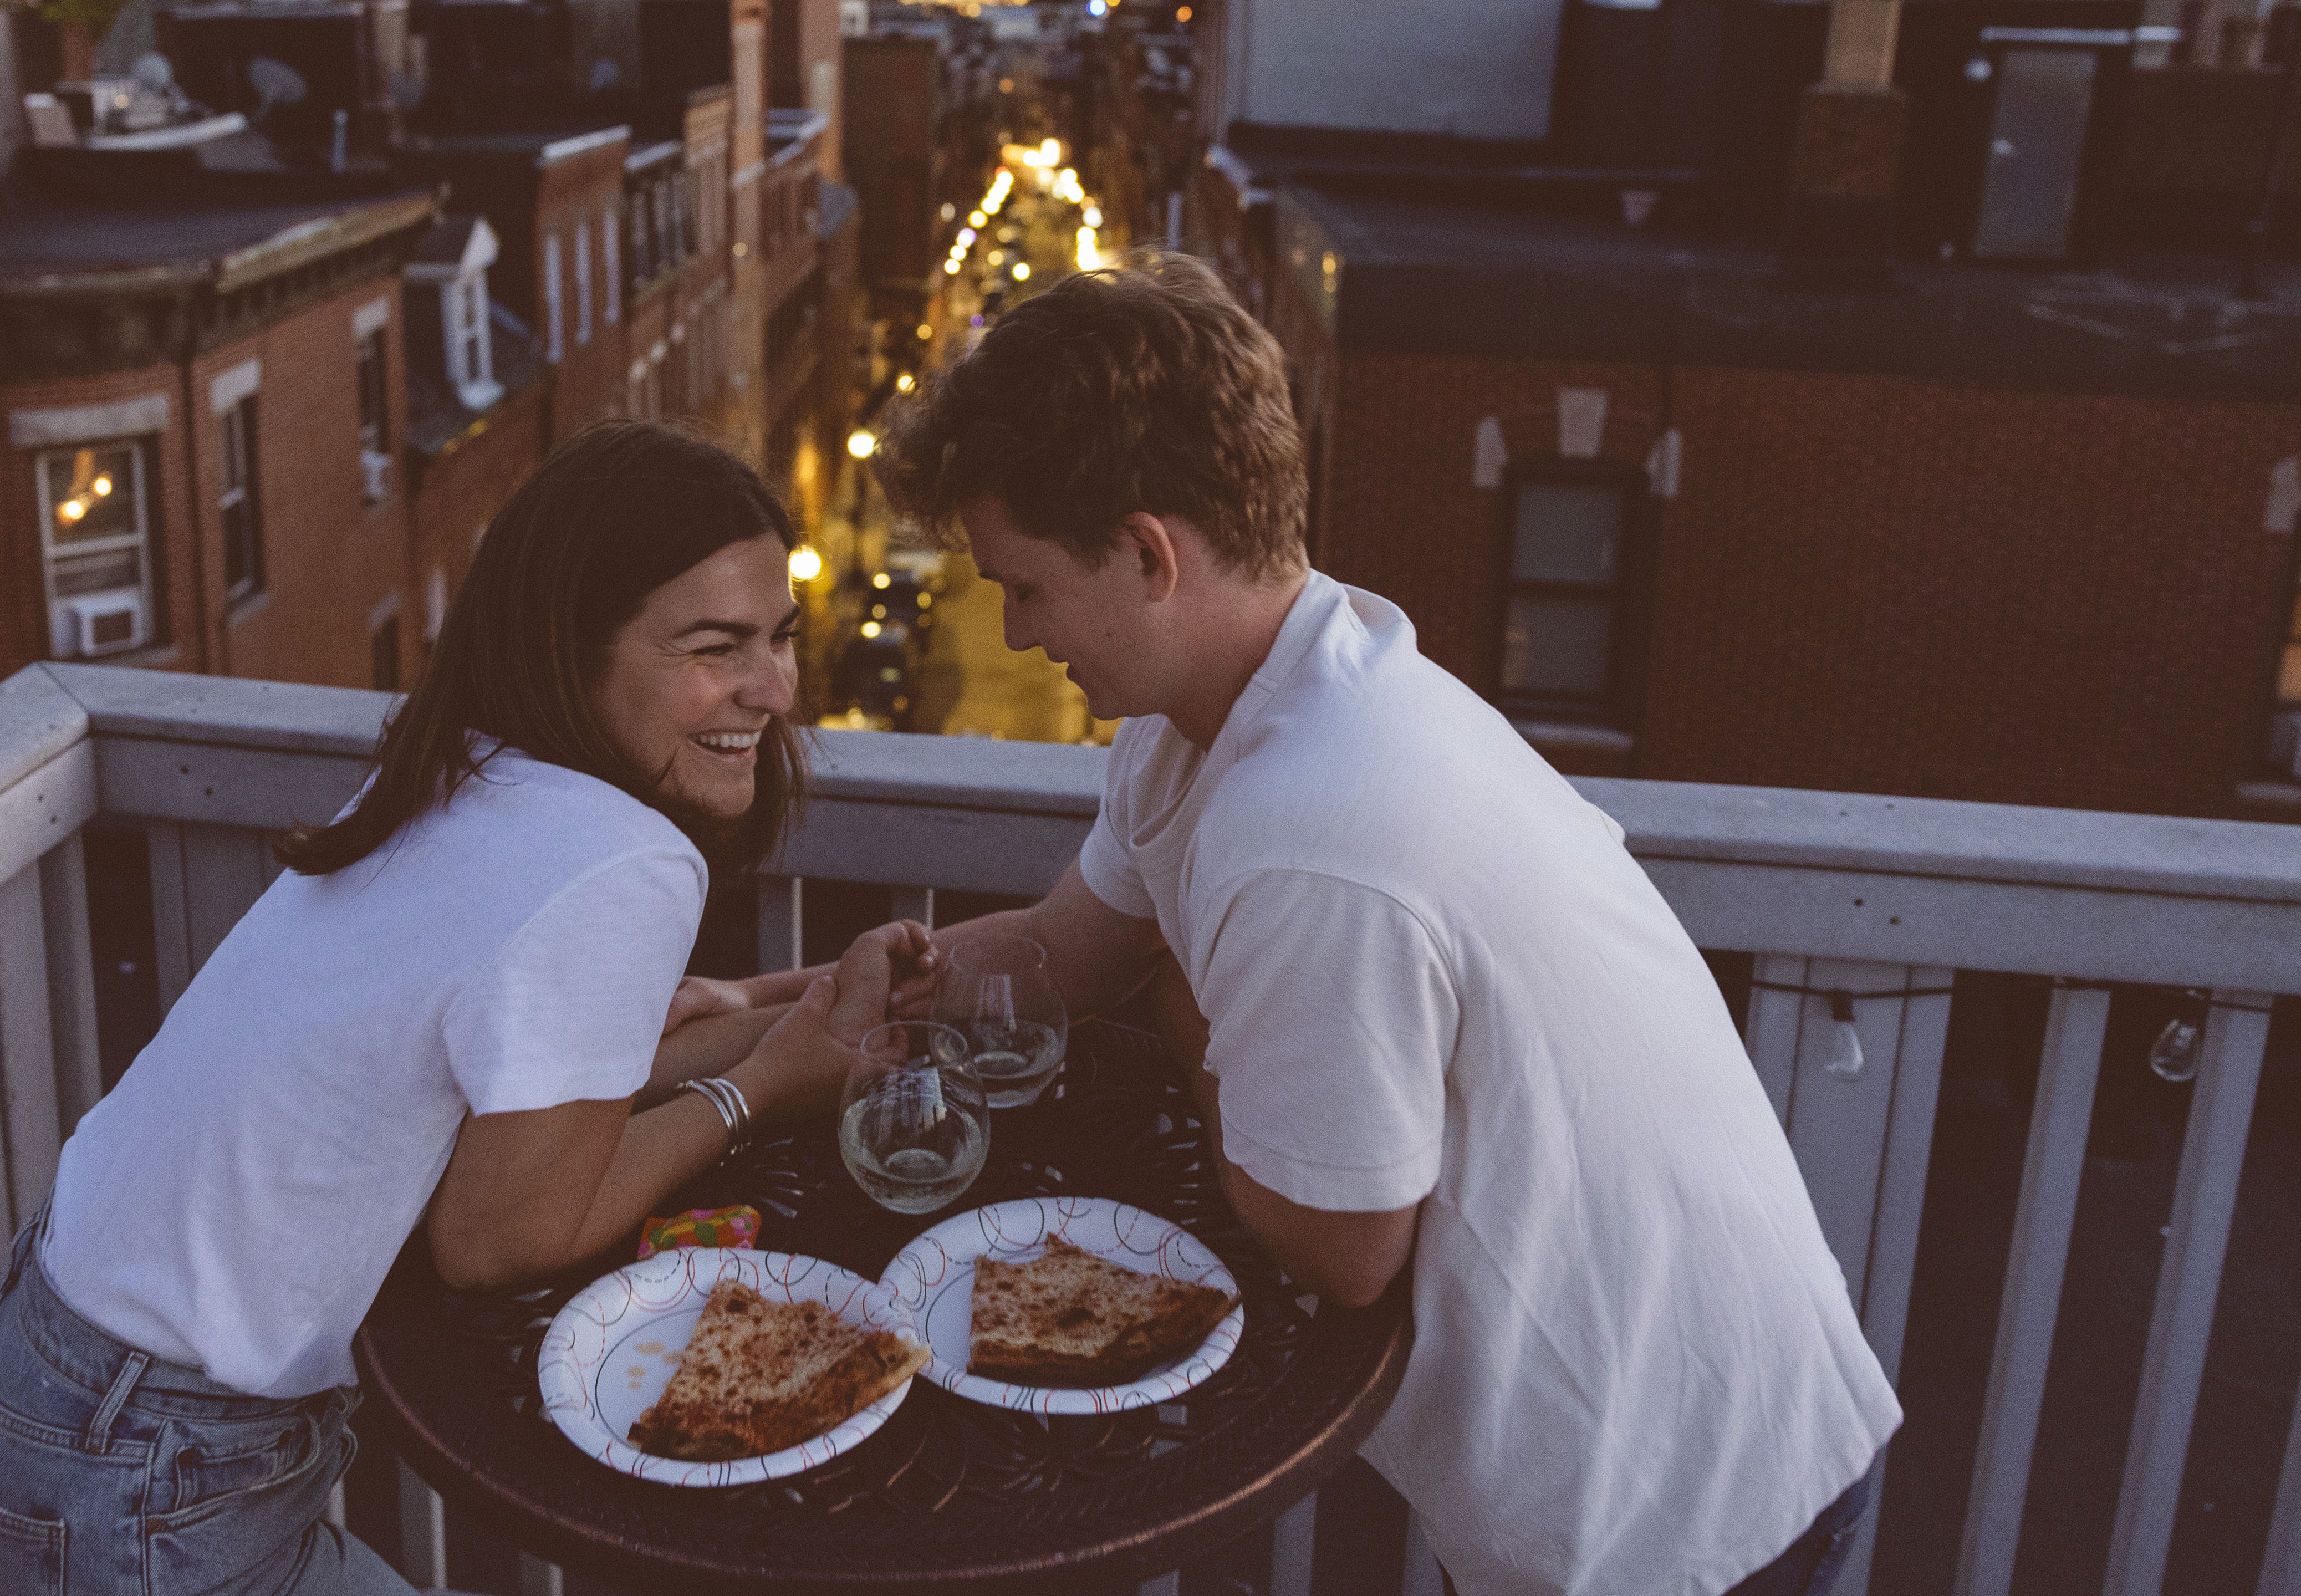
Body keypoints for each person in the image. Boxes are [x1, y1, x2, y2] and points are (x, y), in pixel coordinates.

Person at [680, 257, 1895, 1596]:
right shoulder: (1238, 713)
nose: (1018, 632)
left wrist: (1184, 1008)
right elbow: (1063, 951)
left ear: (1147, 554)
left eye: (1024, 585)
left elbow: (1340, 1240)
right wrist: (768, 1004)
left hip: (1682, 1510)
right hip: (1647, 1454)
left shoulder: (1318, 822)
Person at [0, 422, 924, 1596]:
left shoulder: (462, 768)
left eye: (779, 637)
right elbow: (497, 1234)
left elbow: (528, 1112)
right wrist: (761, 1085)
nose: (773, 688)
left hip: (59, 1384)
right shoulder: (621, 859)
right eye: (717, 647)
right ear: (576, 652)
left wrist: (792, 1011)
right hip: (148, 1479)